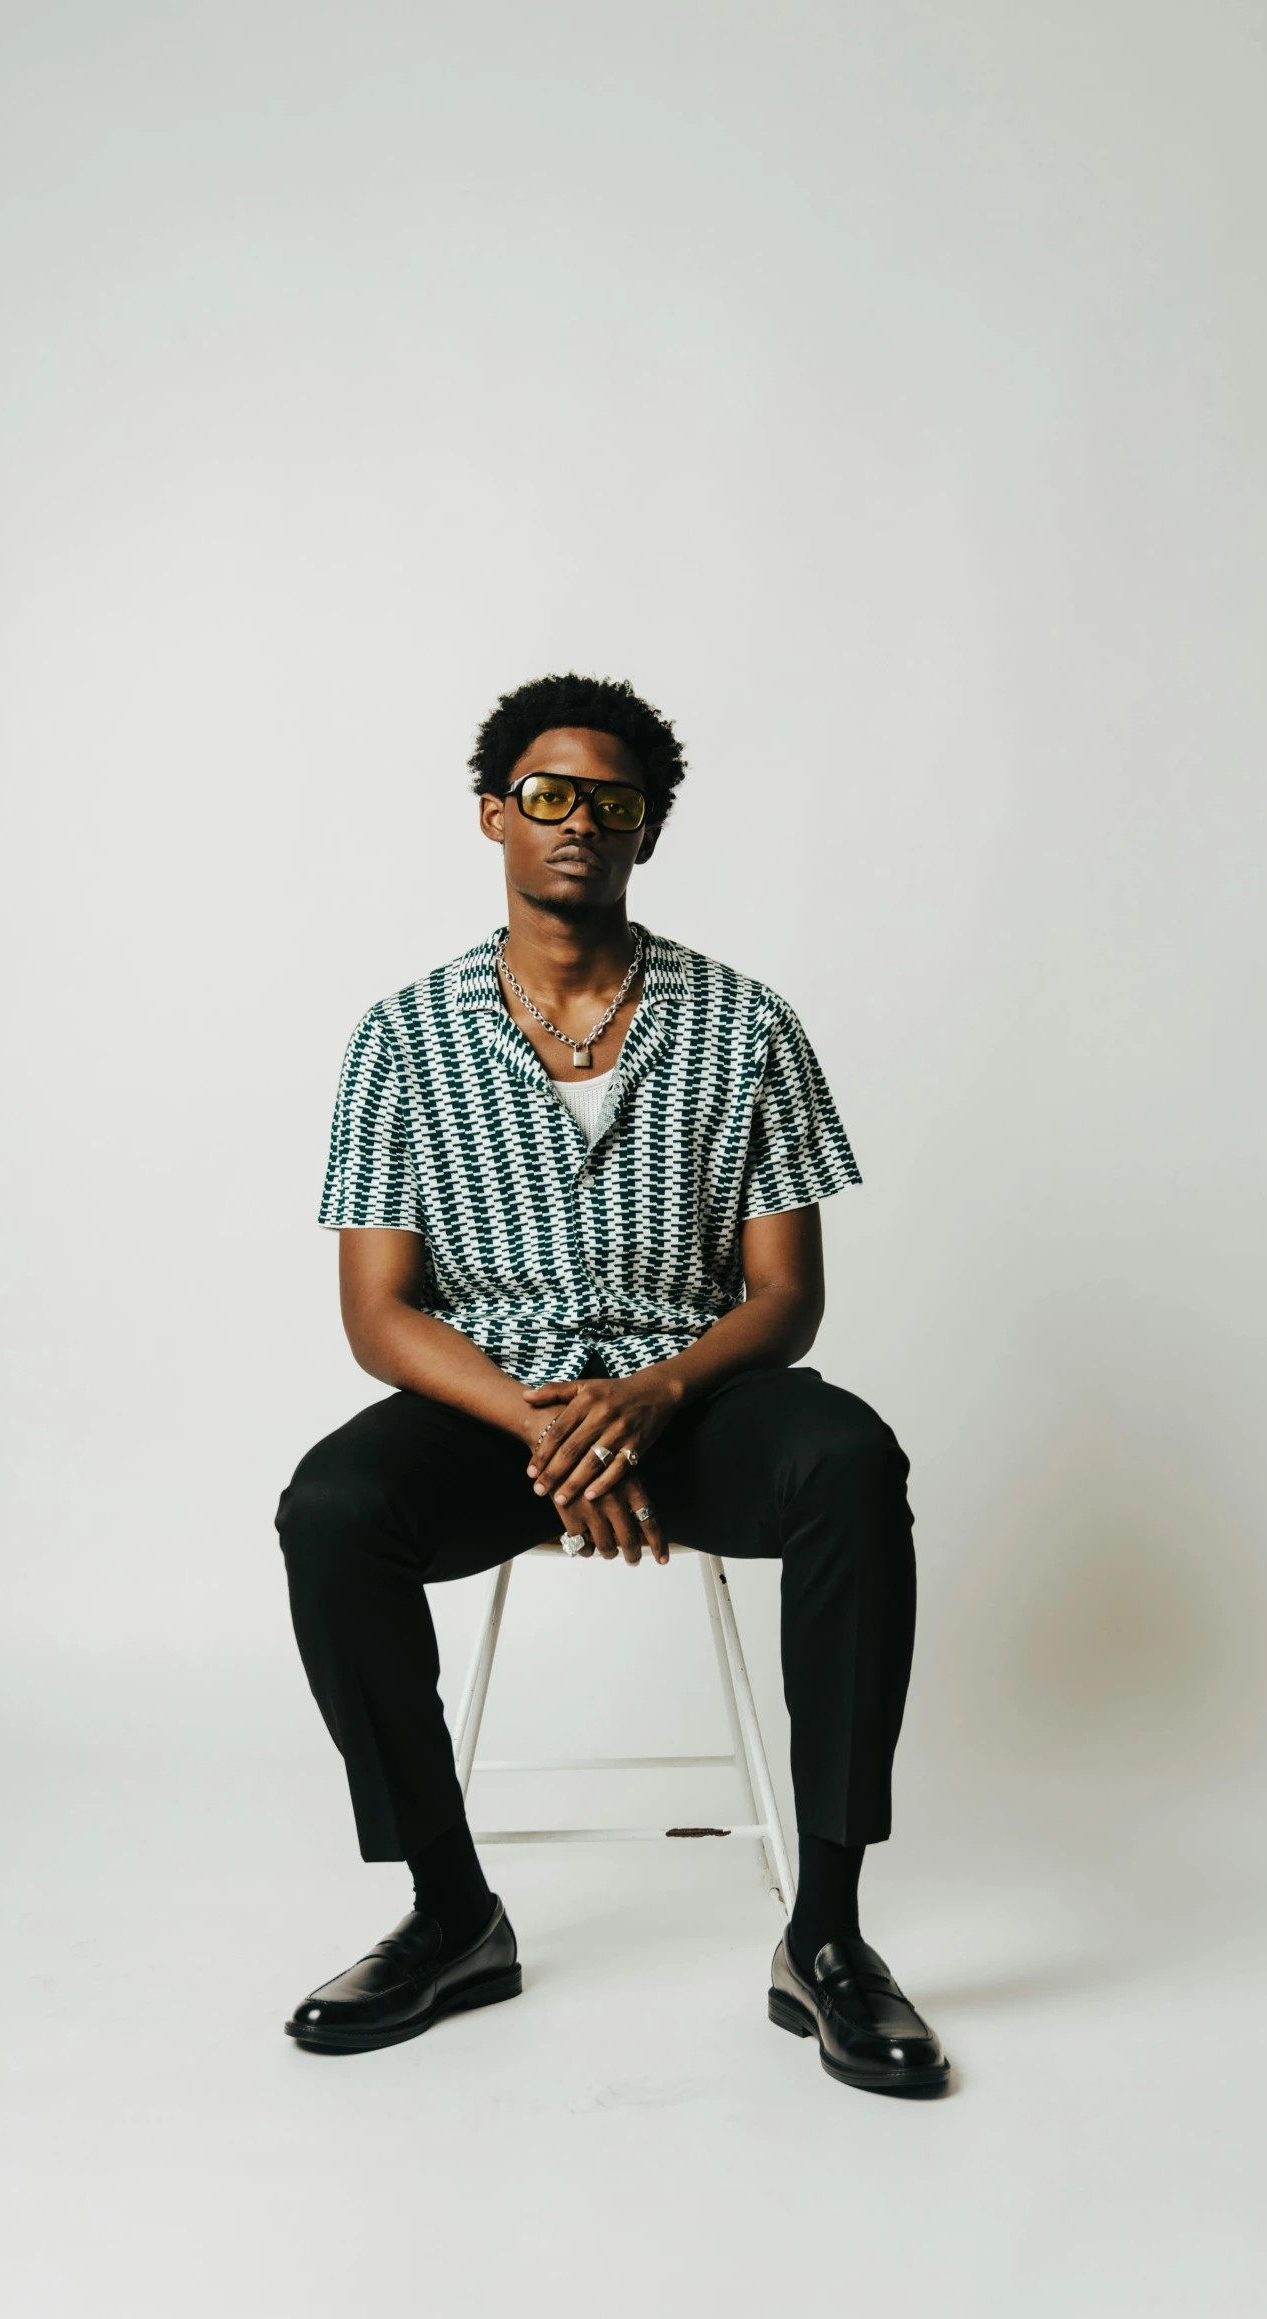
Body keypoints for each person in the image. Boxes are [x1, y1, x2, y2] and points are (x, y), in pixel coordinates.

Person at [274, 673, 948, 2095]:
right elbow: (378, 1313)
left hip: (694, 1402)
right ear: (492, 815)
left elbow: (784, 1294)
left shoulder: (747, 1025)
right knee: (331, 1507)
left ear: (648, 831)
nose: (578, 821)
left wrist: (649, 1397)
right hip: (493, 1413)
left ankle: (824, 1936)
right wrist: (544, 1423)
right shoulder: (402, 1037)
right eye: (547, 794)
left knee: (849, 1461)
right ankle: (450, 1913)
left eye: (613, 802)